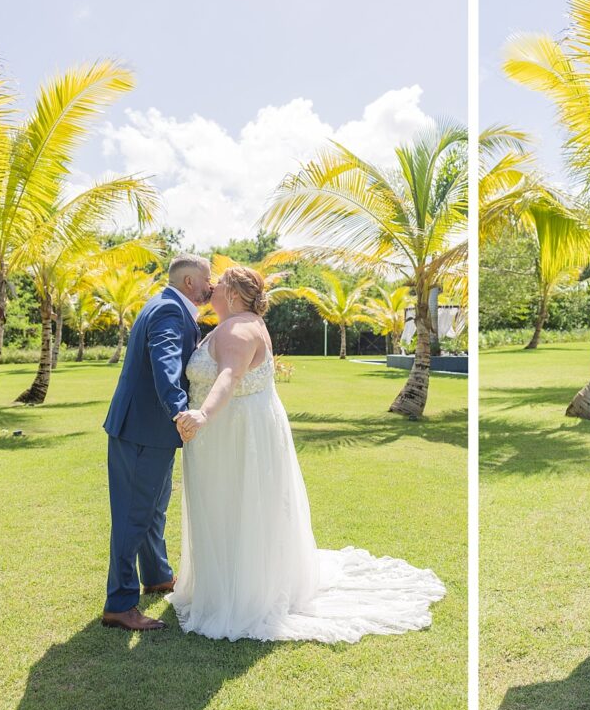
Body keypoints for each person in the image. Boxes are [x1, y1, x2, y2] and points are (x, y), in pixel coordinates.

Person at [167, 266, 445, 642]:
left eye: (220, 284)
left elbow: (229, 377)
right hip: (239, 430)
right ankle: (234, 582)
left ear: (233, 295)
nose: (212, 286)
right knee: (237, 505)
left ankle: (241, 593)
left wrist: (202, 414)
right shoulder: (243, 321)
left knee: (236, 504)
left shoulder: (236, 329)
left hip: (233, 434)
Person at [101, 254, 213, 631]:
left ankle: (157, 575)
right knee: (133, 516)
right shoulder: (168, 311)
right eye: (206, 280)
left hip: (149, 432)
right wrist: (180, 413)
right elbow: (165, 365)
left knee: (153, 510)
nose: (210, 287)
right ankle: (120, 604)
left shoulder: (165, 304)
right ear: (188, 283)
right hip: (142, 432)